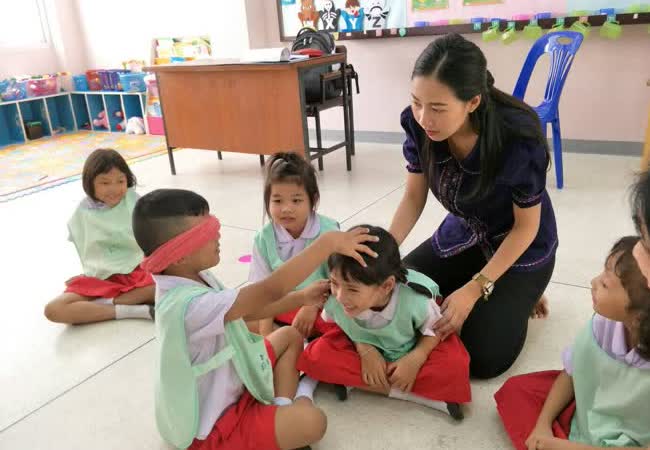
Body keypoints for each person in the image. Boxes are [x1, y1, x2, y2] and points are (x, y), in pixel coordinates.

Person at [133, 188, 378, 450]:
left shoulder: (186, 277)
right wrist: (326, 244)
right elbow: (270, 289)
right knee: (313, 423)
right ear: (179, 254)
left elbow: (245, 311)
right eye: (206, 230)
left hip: (236, 375)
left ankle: (280, 407)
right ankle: (282, 421)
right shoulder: (189, 306)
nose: (218, 233)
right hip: (216, 428)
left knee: (290, 335)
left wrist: (301, 298)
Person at [389, 33, 557, 378]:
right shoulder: (419, 126)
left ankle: (521, 293)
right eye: (417, 102)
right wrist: (385, 252)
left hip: (521, 246)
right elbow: (413, 197)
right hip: (465, 234)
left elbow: (526, 227)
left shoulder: (517, 138)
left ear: (473, 102)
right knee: (396, 292)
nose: (424, 118)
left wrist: (475, 288)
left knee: (482, 356)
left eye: (438, 108)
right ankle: (494, 292)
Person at [298, 226, 471, 420]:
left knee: (455, 365)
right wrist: (365, 350)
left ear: (387, 286)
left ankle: (359, 383)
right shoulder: (336, 300)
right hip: (364, 346)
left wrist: (415, 359)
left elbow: (436, 329)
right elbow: (342, 326)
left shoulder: (415, 299)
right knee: (317, 355)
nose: (340, 296)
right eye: (334, 283)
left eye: (352, 289)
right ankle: (416, 395)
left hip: (414, 345)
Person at [495, 236, 650, 450]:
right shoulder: (605, 323)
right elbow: (573, 371)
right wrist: (542, 425)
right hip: (590, 408)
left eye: (605, 284)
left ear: (639, 316)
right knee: (517, 391)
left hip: (631, 438)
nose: (593, 282)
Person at [44, 149, 154, 325]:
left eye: (120, 181)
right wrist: (90, 272)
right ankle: (129, 309)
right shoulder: (83, 211)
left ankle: (106, 304)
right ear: (90, 183)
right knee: (54, 309)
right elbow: (88, 247)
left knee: (163, 286)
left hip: (139, 270)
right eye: (105, 182)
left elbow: (154, 235)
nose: (114, 189)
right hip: (102, 278)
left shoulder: (133, 200)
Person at [249, 153, 339, 338]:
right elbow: (262, 293)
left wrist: (311, 306)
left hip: (322, 306)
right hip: (281, 307)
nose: (286, 209)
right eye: (277, 201)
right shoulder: (263, 238)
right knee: (238, 320)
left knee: (344, 324)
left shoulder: (329, 232)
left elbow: (340, 283)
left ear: (313, 200)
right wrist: (267, 336)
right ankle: (289, 339)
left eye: (296, 200)